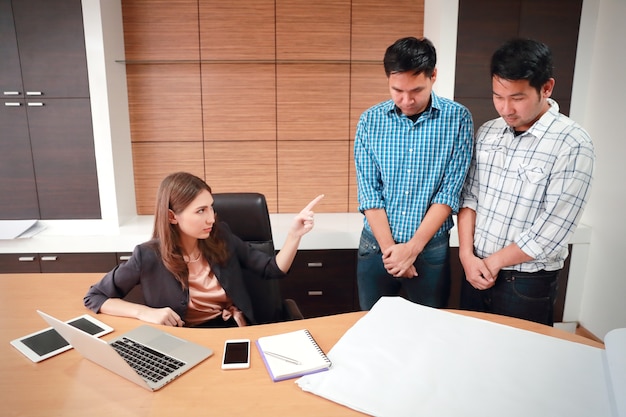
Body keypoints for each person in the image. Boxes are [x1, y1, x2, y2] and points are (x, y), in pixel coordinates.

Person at [458, 38, 595, 326]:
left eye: (517, 98)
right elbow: (469, 196)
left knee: (520, 364)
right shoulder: (488, 132)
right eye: (498, 96)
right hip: (474, 269)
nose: (505, 109)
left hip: (526, 283)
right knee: (469, 354)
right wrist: (466, 254)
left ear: (546, 88)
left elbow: (552, 230)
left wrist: (491, 263)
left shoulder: (572, 143)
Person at [84, 172, 323, 327]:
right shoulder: (147, 256)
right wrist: (142, 312)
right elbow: (95, 297)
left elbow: (273, 269)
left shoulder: (222, 237)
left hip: (232, 331)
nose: (211, 218)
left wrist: (294, 235)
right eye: (201, 211)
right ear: (172, 216)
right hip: (184, 339)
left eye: (211, 207)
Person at [354, 36, 474, 310]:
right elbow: (369, 192)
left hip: (430, 249)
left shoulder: (458, 119)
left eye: (416, 90)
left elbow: (449, 192)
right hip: (377, 248)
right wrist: (393, 254)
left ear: (433, 75)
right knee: (371, 328)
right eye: (397, 90)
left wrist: (412, 249)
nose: (406, 100)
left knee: (428, 332)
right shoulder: (370, 120)